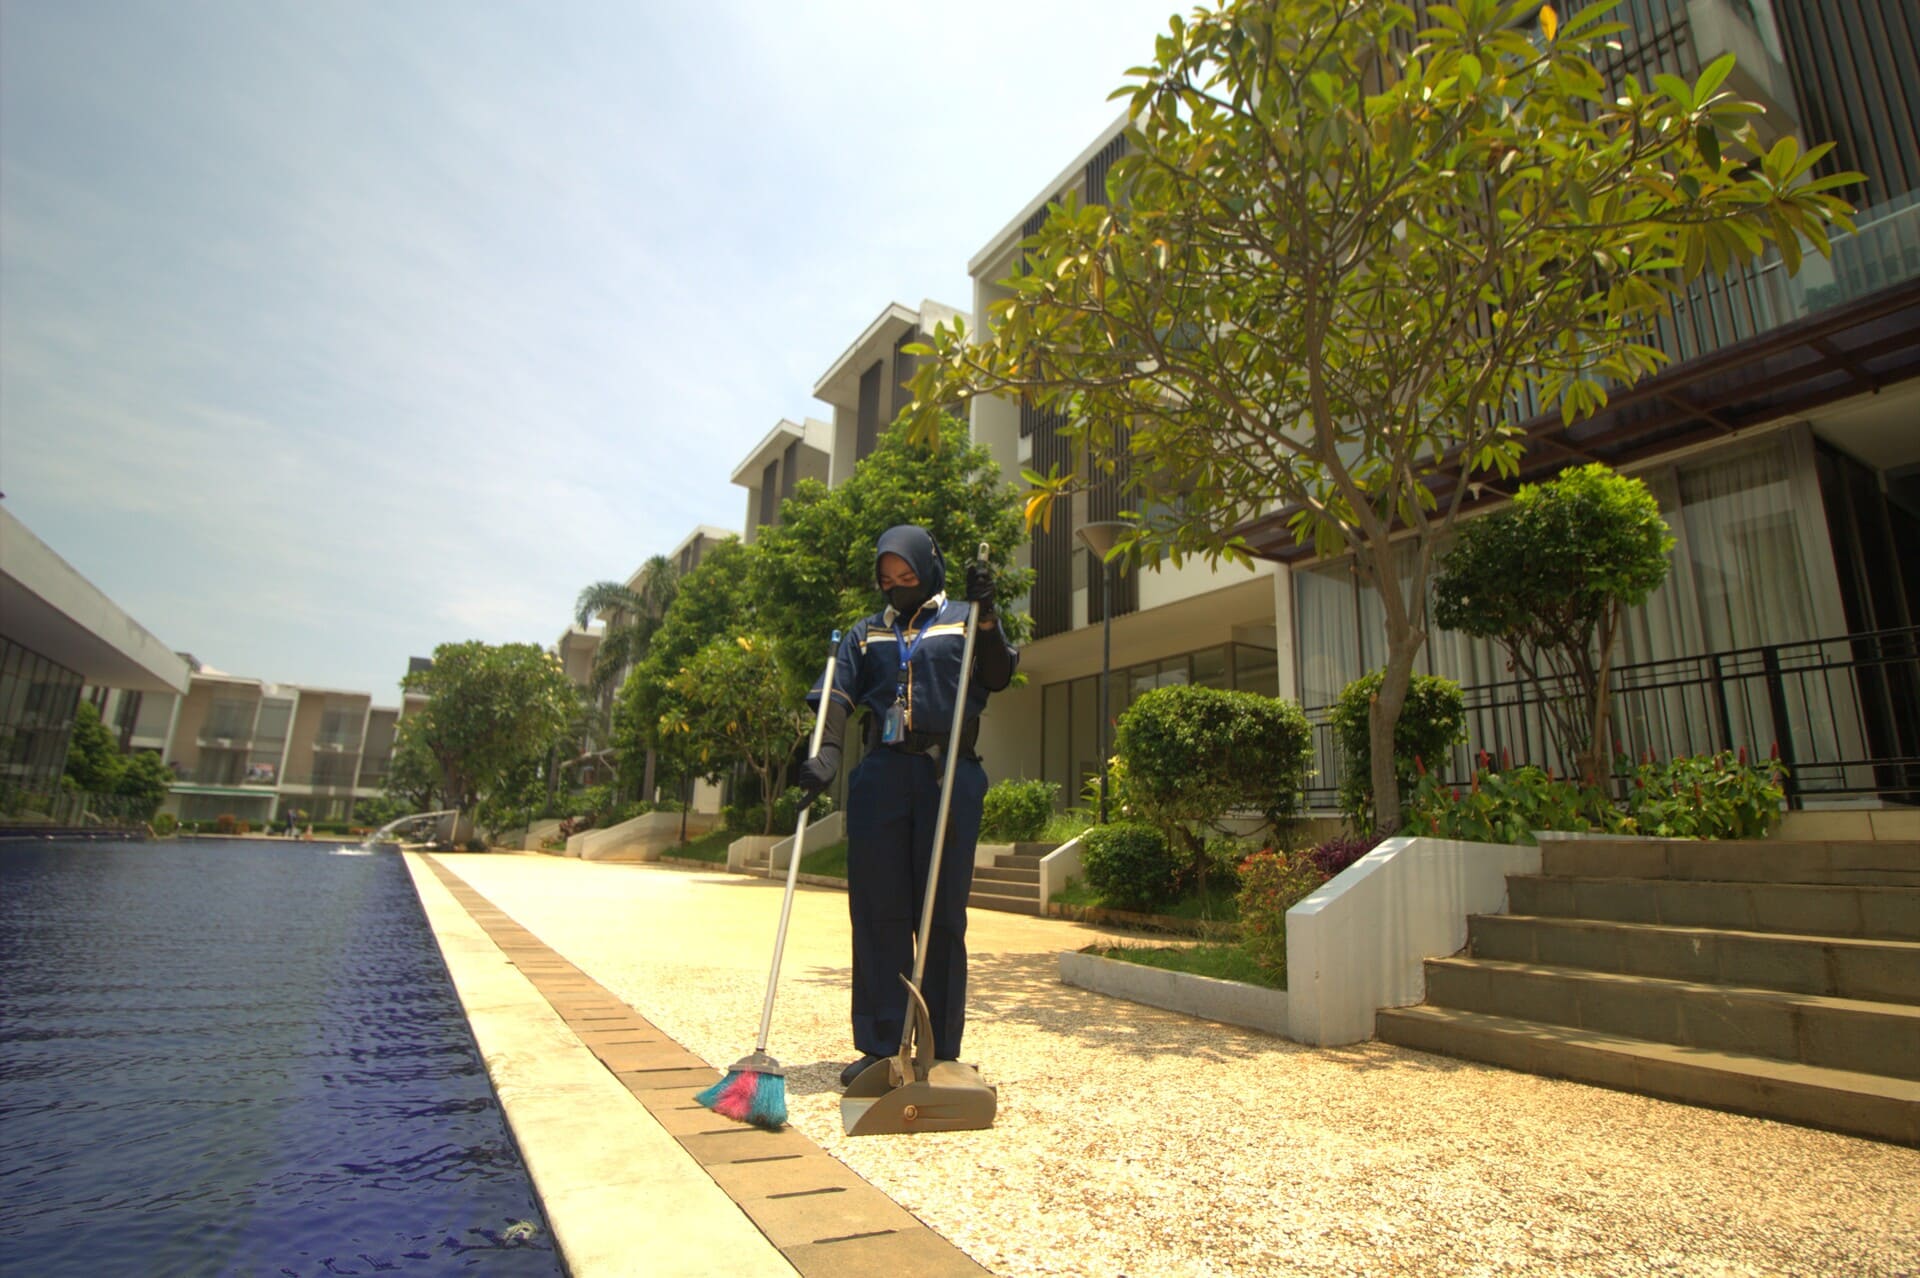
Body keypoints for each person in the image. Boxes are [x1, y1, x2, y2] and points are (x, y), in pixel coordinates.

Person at [796, 525, 1017, 1087]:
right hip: (882, 776)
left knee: (941, 914)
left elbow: (997, 674)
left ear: (930, 568)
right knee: (878, 911)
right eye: (887, 578)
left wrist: (988, 617)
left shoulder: (965, 618)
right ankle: (880, 1045)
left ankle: (939, 1050)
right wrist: (827, 753)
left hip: (948, 774)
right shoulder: (866, 632)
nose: (897, 586)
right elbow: (836, 695)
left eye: (907, 575)